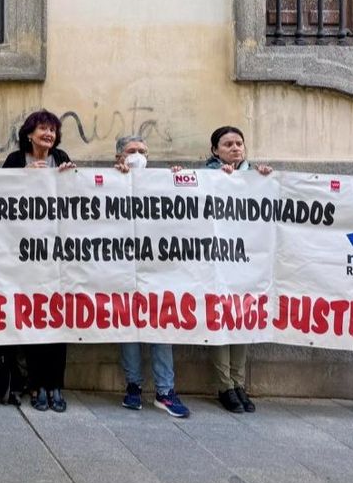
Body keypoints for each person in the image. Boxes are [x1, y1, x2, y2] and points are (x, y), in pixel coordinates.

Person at [177, 126, 271, 414]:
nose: (235, 148)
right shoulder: (205, 177)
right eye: (227, 144)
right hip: (215, 263)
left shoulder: (256, 177)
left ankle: (239, 383)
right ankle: (225, 385)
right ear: (215, 150)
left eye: (239, 143)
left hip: (246, 264)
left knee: (242, 320)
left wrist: (264, 178)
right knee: (220, 321)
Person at [0, 110, 74, 412]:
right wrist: (22, 179)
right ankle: (36, 385)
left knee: (58, 320)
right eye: (43, 129)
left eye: (53, 130)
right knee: (32, 320)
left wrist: (71, 177)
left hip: (56, 255)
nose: (49, 134)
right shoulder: (16, 162)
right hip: (23, 257)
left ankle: (55, 385)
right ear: (29, 134)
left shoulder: (61, 158)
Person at [113, 135, 190, 418]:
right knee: (129, 329)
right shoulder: (108, 179)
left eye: (143, 151)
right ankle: (133, 386)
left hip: (158, 270)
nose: (138, 156)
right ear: (119, 157)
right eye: (131, 151)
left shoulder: (162, 180)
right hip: (121, 267)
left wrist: (179, 181)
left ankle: (165, 391)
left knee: (161, 327)